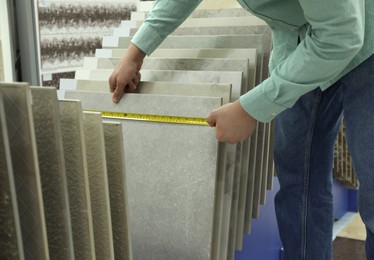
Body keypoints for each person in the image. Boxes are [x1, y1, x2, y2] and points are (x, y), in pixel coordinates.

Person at [109, 0, 374, 259]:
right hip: (299, 46)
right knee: (298, 183)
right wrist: (136, 51)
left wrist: (251, 109)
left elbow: (341, 35)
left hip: (363, 43)